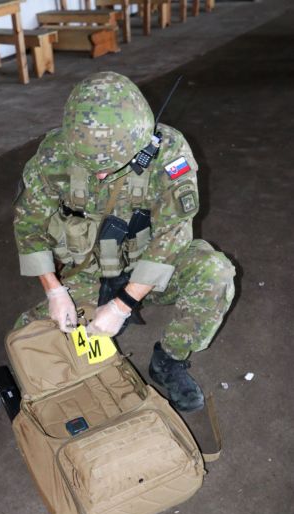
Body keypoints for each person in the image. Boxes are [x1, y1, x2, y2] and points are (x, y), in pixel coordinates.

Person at [13, 71, 235, 413]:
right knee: (27, 337)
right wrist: (54, 290)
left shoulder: (168, 153)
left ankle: (170, 360)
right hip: (88, 271)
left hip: (150, 265)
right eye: (90, 167)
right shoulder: (54, 153)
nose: (100, 175)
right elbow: (28, 224)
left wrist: (122, 305)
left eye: (110, 167)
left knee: (214, 273)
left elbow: (173, 235)